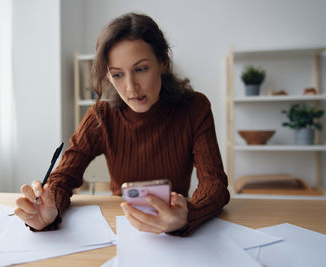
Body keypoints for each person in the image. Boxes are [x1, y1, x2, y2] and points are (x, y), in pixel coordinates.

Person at [14, 12, 230, 237]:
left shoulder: (194, 108)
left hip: (175, 233)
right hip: (123, 230)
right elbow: (62, 177)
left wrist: (189, 214)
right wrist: (51, 210)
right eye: (117, 75)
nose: (131, 87)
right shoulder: (101, 116)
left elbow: (214, 184)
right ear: (108, 76)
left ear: (163, 62)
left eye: (141, 69)